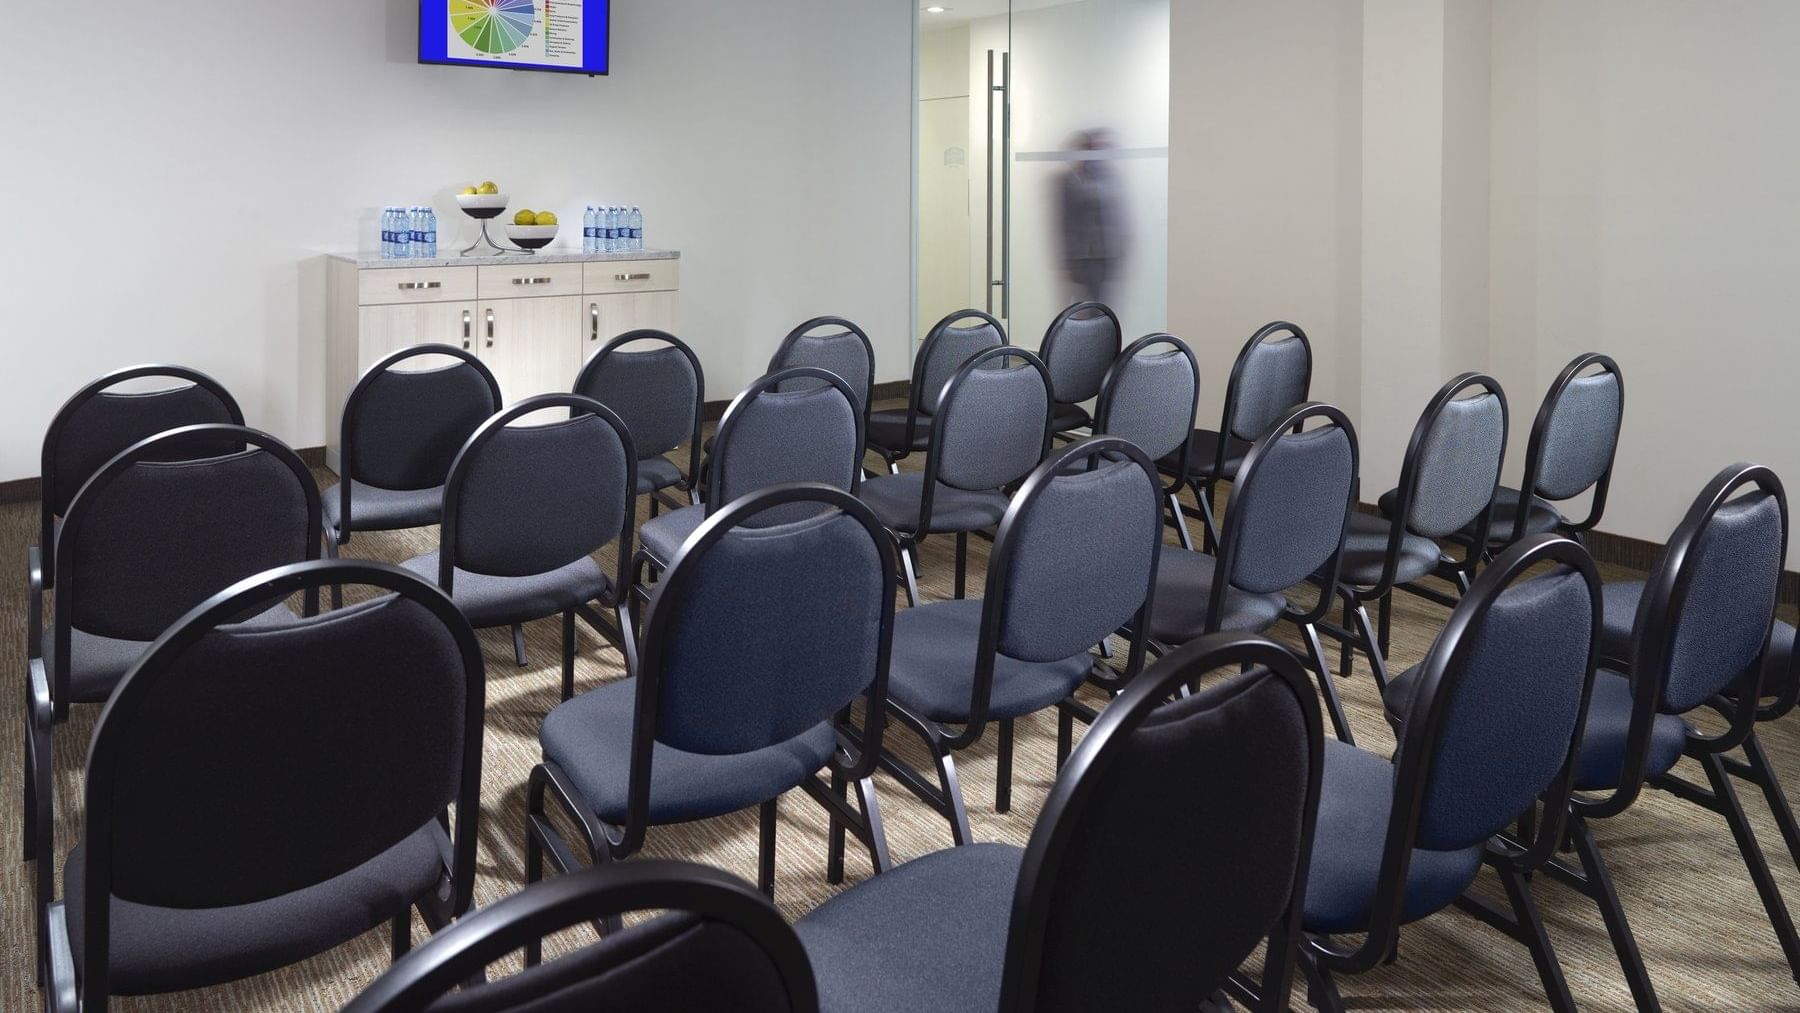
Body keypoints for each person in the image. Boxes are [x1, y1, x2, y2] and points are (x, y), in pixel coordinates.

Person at [1057, 128, 1129, 307]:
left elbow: (1116, 218)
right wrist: (1067, 263)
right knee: (1084, 309)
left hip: (1105, 257)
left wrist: (1120, 253)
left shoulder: (1109, 176)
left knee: (1103, 308)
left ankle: (1103, 333)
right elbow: (1066, 222)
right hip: (1083, 259)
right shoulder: (1071, 179)